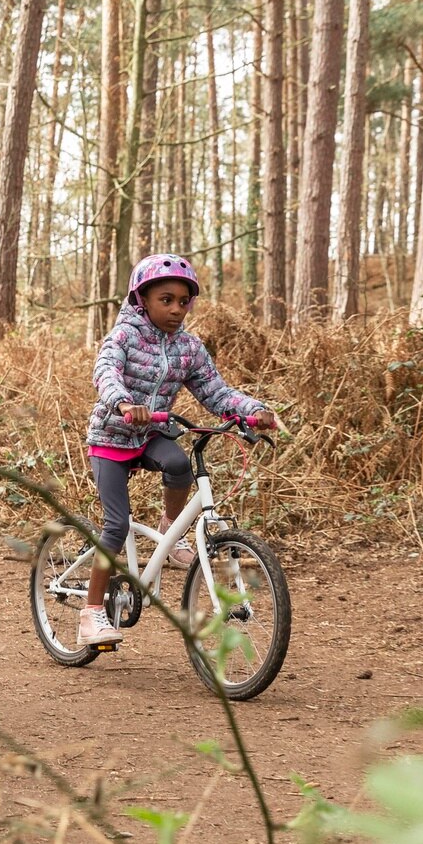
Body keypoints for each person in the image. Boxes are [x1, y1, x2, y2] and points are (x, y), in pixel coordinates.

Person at [80, 253, 275, 650]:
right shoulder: (124, 336)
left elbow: (215, 392)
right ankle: (92, 613)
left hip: (151, 434)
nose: (176, 309)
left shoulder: (188, 347)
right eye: (166, 300)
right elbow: (105, 371)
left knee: (180, 465)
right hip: (111, 437)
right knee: (116, 526)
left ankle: (172, 531)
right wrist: (122, 402)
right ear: (142, 300)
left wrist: (253, 410)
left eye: (184, 301)